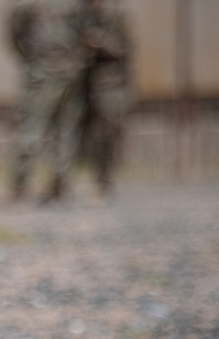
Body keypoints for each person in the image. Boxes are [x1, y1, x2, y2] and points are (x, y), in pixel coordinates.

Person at [7, 0, 89, 202]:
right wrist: (34, 61)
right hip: (40, 75)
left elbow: (87, 34)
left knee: (66, 129)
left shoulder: (76, 5)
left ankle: (60, 183)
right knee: (30, 130)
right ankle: (20, 185)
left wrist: (76, 63)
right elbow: (15, 34)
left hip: (69, 76)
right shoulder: (26, 5)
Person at [78, 0, 131, 197]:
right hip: (86, 83)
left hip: (109, 85)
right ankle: (94, 177)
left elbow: (123, 49)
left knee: (106, 132)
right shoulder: (82, 17)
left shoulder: (115, 16)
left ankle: (105, 179)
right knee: (88, 134)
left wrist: (99, 43)